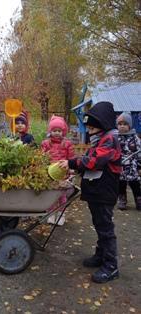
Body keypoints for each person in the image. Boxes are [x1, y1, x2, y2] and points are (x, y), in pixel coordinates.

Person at [59, 101, 121, 283]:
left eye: (92, 126)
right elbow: (89, 161)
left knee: (105, 228)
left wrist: (71, 163)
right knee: (99, 224)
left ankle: (111, 266)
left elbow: (94, 161)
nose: (89, 129)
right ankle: (100, 256)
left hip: (104, 191)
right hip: (97, 190)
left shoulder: (110, 139)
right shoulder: (101, 139)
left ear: (102, 124)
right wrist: (76, 169)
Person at [41, 115, 75, 225]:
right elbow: (42, 156)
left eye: (59, 131)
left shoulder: (67, 144)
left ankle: (61, 215)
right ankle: (51, 214)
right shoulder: (46, 143)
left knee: (62, 194)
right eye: (54, 130)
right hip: (50, 173)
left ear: (63, 131)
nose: (57, 133)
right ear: (50, 131)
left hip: (62, 172)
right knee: (51, 194)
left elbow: (71, 158)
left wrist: (71, 170)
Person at [116, 112, 141, 210]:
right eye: (120, 124)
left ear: (129, 125)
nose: (122, 126)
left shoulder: (135, 138)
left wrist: (139, 166)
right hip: (120, 167)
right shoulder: (116, 137)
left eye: (125, 124)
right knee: (121, 185)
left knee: (135, 185)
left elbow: (139, 152)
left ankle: (138, 200)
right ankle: (122, 200)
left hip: (132, 167)